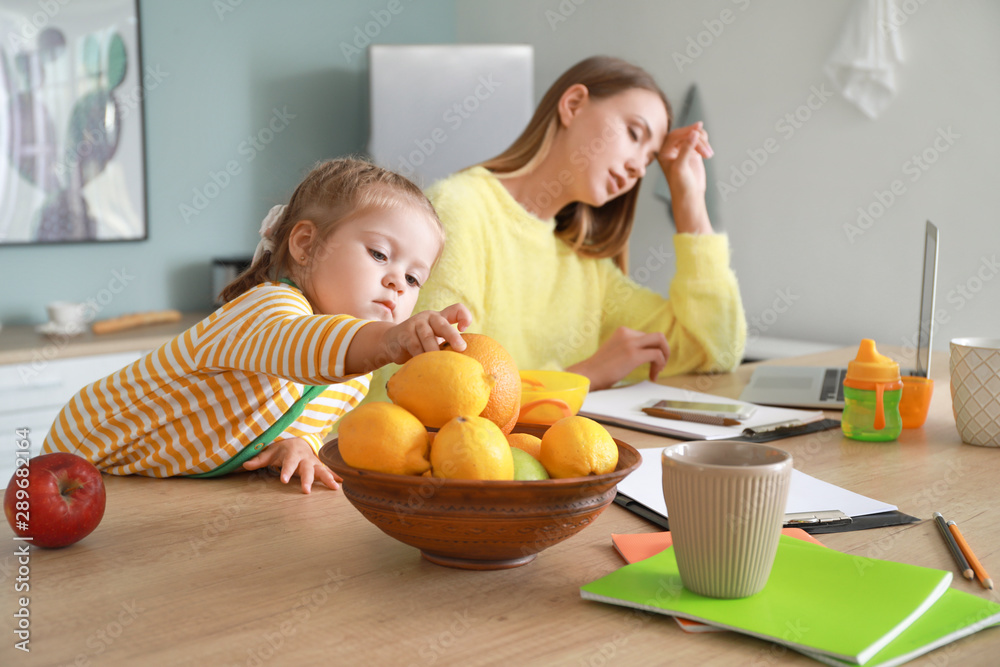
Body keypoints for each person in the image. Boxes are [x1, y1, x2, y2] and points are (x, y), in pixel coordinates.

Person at [42, 158, 470, 493]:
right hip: (87, 452)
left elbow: (309, 417)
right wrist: (391, 340)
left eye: (414, 278)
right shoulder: (267, 307)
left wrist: (298, 444)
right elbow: (303, 348)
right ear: (306, 245)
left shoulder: (354, 374)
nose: (397, 282)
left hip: (153, 483)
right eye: (379, 254)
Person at [371, 55, 745, 400]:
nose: (638, 168)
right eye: (634, 133)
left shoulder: (586, 265)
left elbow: (713, 350)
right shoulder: (458, 208)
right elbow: (437, 385)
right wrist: (584, 376)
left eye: (649, 160)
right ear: (573, 105)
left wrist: (689, 200)